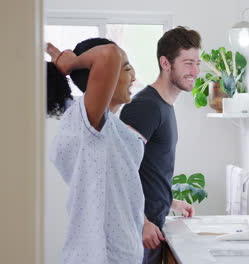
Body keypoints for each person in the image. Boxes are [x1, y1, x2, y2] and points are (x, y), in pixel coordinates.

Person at [46, 38, 145, 264]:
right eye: (126, 68)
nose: (133, 77)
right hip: (100, 256)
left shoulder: (107, 125)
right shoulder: (86, 124)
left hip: (123, 253)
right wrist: (71, 64)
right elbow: (109, 54)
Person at [119, 26, 202, 263]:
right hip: (138, 231)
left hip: (152, 226)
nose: (195, 71)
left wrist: (170, 201)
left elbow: (147, 168)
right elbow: (120, 169)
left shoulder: (164, 105)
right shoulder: (146, 107)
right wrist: (142, 221)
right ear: (166, 63)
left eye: (197, 63)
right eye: (188, 63)